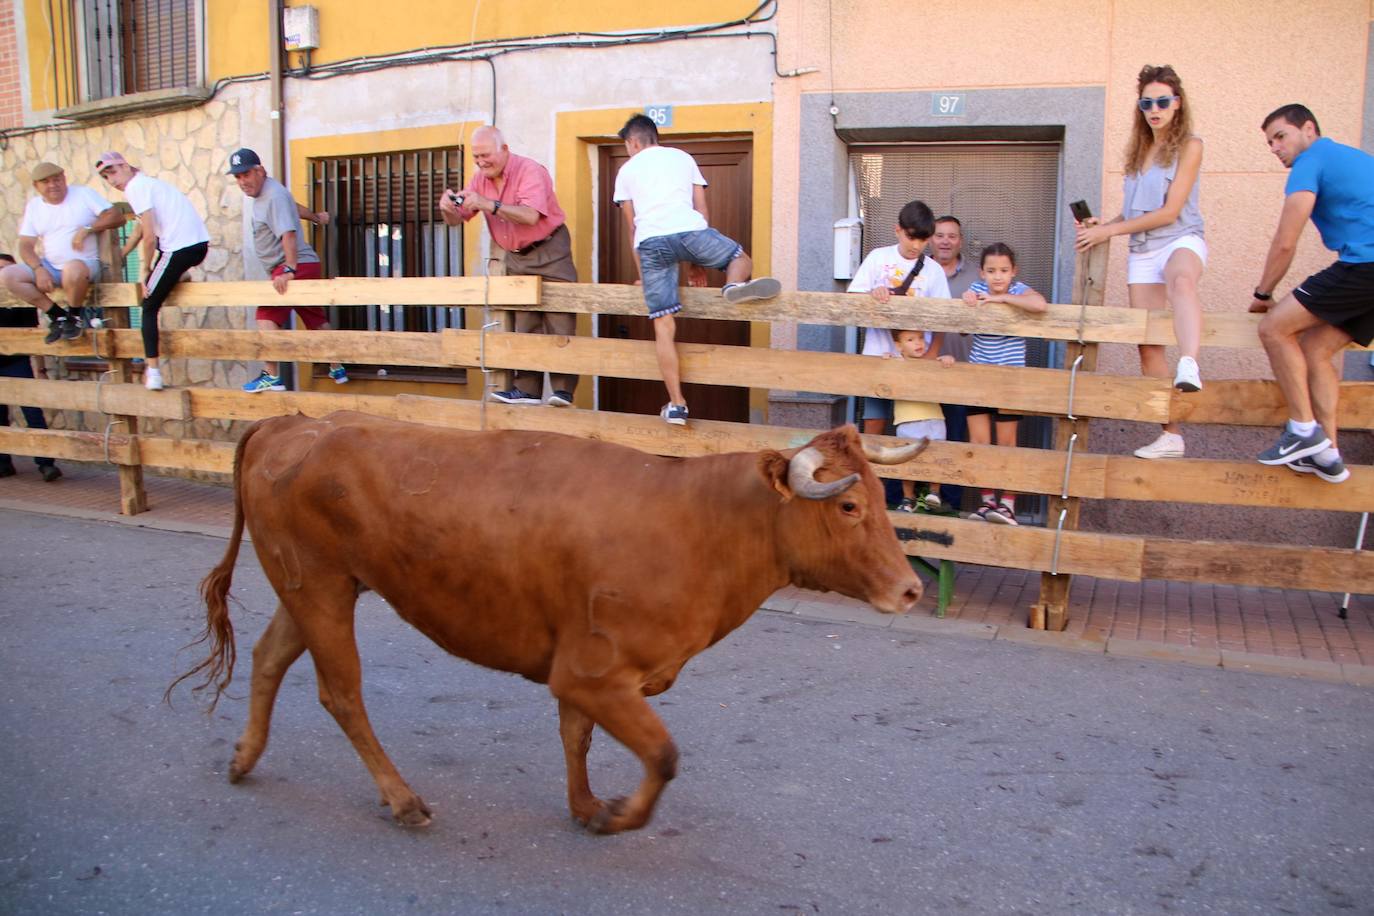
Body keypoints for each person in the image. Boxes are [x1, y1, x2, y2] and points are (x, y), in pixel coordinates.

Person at [613, 113, 781, 426]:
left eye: (627, 146)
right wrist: (696, 262)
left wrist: (644, 276)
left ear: (633, 142)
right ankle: (731, 286)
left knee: (663, 326)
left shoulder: (626, 170)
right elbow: (701, 210)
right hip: (690, 231)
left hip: (651, 243)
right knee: (742, 260)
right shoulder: (683, 158)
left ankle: (677, 404)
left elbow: (631, 227)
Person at [1076, 64, 1206, 461]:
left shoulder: (1190, 145)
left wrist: (1110, 233)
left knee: (1183, 281)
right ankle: (1170, 434)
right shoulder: (1137, 153)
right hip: (1143, 250)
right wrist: (1107, 224)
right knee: (1147, 346)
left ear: (1177, 104)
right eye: (1147, 102)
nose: (1155, 109)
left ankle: (1189, 363)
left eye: (1163, 101)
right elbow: (1133, 212)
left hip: (1179, 237)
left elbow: (1169, 212)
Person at [1248, 104, 1374, 485]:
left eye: (1280, 136)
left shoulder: (1311, 160)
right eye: (1269, 143)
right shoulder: (1355, 158)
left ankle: (1302, 431)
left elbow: (1287, 242)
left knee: (1273, 329)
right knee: (1317, 348)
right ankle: (1328, 453)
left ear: (1308, 129)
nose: (1275, 147)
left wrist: (1263, 292)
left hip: (1364, 265)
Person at [439, 126, 580, 407]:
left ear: (504, 149)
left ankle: (563, 391)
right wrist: (447, 208)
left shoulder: (530, 171)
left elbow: (529, 215)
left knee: (560, 320)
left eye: (485, 155)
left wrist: (487, 204)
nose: (480, 162)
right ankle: (526, 389)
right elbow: (457, 220)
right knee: (525, 324)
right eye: (476, 157)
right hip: (516, 256)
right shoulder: (479, 180)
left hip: (550, 249)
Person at [227, 148, 347, 392]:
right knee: (314, 317)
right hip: (302, 264)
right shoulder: (273, 194)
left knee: (266, 315)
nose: (242, 181)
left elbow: (287, 233)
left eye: (246, 175)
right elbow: (293, 208)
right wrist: (315, 217)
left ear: (260, 171)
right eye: (237, 177)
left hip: (293, 265)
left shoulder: (273, 195)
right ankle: (337, 366)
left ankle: (271, 375)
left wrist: (289, 269)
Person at [95, 152, 210, 391]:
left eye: (113, 172)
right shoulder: (148, 184)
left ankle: (153, 370)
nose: (112, 180)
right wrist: (123, 254)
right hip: (198, 247)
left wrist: (144, 270)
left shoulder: (136, 188)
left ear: (126, 166)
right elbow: (140, 227)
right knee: (160, 282)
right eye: (107, 177)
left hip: (178, 249)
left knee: (148, 305)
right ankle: (180, 275)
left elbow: (149, 236)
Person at [846, 200, 951, 438]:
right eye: (911, 237)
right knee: (874, 423)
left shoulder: (933, 270)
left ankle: (909, 477)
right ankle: (876, 476)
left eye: (923, 240)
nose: (916, 245)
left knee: (919, 424)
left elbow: (945, 318)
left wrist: (931, 354)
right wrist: (872, 295)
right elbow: (852, 298)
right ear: (898, 230)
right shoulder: (877, 257)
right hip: (878, 354)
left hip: (917, 357)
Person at [962, 243, 1048, 525]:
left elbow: (1039, 304)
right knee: (980, 443)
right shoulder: (976, 288)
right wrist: (969, 299)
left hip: (1010, 380)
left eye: (1003, 270)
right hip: (978, 378)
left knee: (1007, 444)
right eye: (991, 271)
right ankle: (987, 502)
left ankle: (1008, 504)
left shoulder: (1019, 290)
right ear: (981, 272)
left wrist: (1003, 300)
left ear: (1014, 272)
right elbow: (962, 317)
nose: (997, 277)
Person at [1, 162, 123, 344]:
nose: (53, 185)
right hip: (51, 266)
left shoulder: (83, 194)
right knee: (8, 275)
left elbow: (116, 216)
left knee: (72, 268)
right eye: (46, 182)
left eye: (57, 179)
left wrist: (88, 228)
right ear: (36, 186)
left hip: (85, 265)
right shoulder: (34, 206)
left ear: (64, 178)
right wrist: (38, 269)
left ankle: (74, 316)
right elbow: (26, 244)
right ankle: (58, 316)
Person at [0, 253, 61, 482]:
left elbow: (32, 334)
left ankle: (46, 463)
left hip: (17, 361)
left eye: (6, 269)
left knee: (32, 412)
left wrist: (41, 369)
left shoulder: (21, 299)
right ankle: (4, 463)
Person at [928, 214, 974, 509]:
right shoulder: (921, 270)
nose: (945, 241)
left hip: (960, 372)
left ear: (960, 241)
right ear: (931, 238)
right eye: (940, 235)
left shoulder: (976, 276)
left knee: (955, 440)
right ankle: (915, 502)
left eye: (952, 235)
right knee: (918, 436)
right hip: (924, 371)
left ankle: (951, 508)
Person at [889, 328, 953, 512]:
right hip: (907, 420)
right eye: (911, 339)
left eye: (921, 338)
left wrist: (946, 361)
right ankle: (908, 497)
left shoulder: (933, 363)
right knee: (907, 459)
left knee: (938, 457)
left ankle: (934, 493)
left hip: (934, 418)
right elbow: (885, 374)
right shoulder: (897, 363)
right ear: (898, 346)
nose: (918, 343)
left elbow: (946, 380)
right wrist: (888, 359)